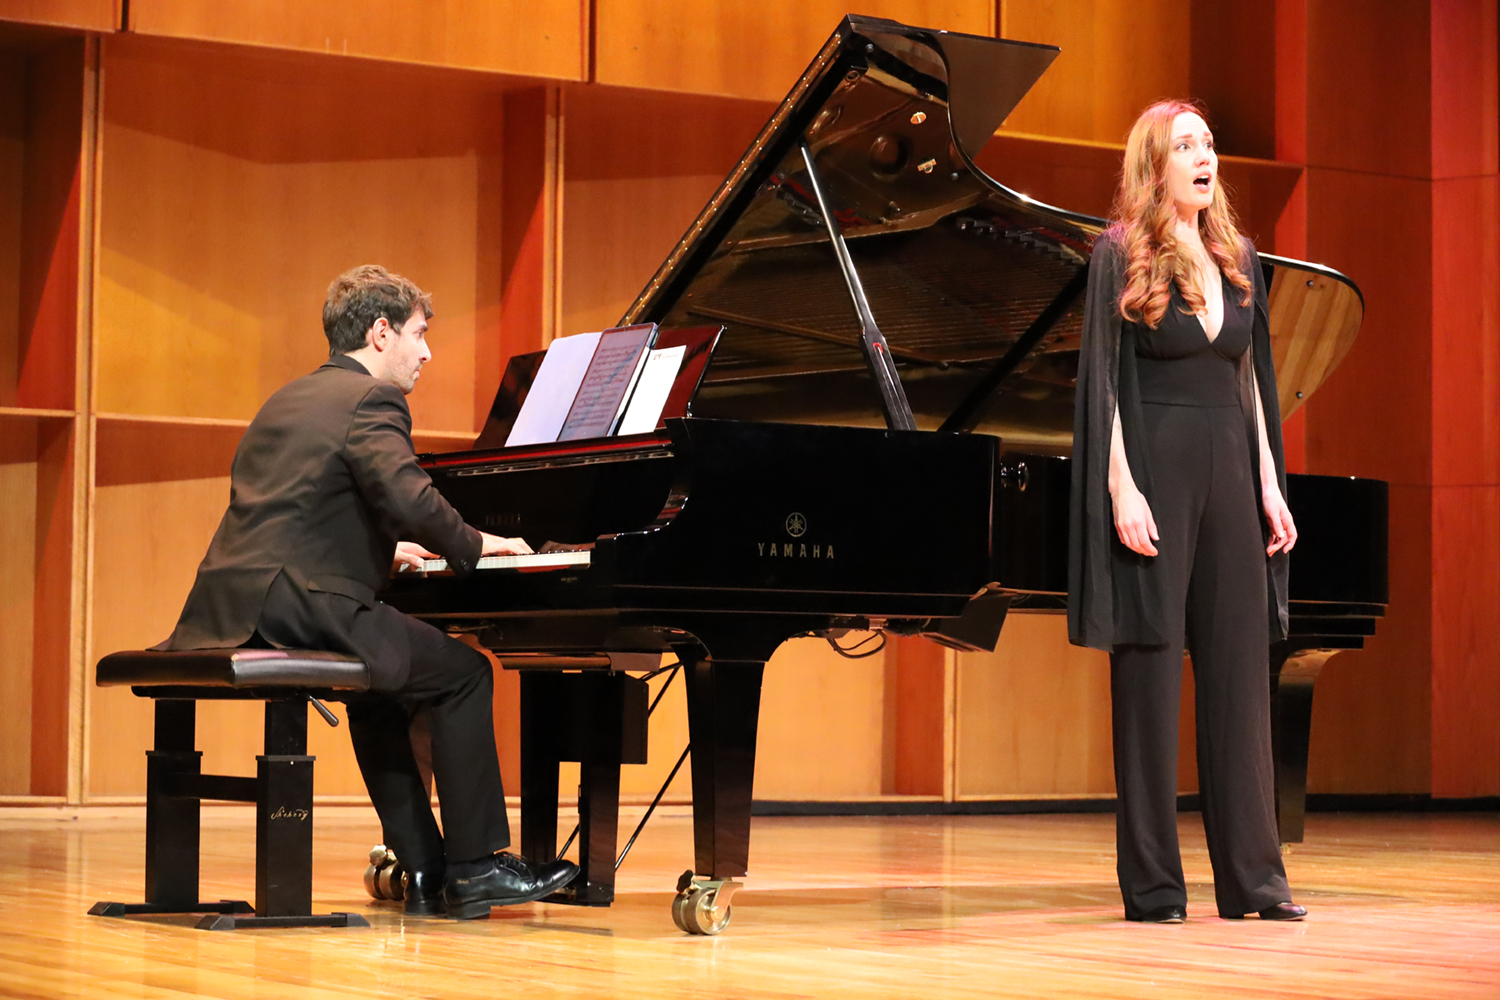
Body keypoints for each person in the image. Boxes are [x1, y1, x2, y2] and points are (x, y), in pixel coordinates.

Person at [158, 265, 578, 920]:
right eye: (420, 333)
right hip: (308, 605)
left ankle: (422, 865)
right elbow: (408, 496)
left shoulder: (287, 399)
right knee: (463, 673)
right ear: (381, 333)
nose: (428, 351)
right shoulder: (374, 401)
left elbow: (295, 505)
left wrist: (383, 550)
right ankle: (474, 868)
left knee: (382, 691)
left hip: (230, 605)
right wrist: (477, 542)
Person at [1067, 100, 1306, 923]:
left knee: (1241, 677)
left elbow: (1253, 387)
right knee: (1149, 678)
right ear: (1156, 165)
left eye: (1209, 142)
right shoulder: (1119, 255)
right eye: (1186, 145)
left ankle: (1256, 883)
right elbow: (1100, 383)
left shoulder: (1238, 255)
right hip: (1155, 475)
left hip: (1234, 480)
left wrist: (1271, 485)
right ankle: (1156, 888)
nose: (1204, 156)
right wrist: (1119, 487)